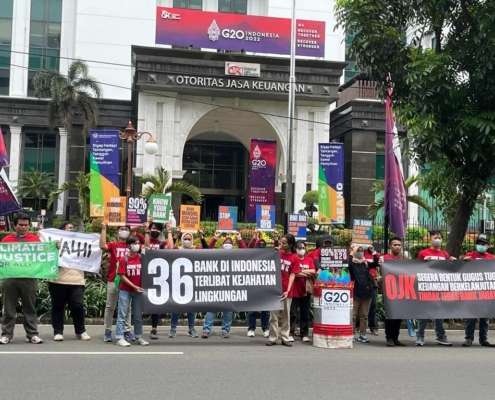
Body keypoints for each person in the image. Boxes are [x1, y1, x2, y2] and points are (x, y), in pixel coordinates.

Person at [0, 213, 43, 344]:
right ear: (15, 225)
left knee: (30, 307)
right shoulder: (6, 240)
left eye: (26, 225)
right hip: (10, 279)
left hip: (29, 278)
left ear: (29, 225)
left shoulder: (35, 240)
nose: (23, 227)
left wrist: (55, 248)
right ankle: (6, 335)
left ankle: (32, 335)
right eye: (20, 225)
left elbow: (44, 255)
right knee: (8, 308)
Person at [48, 222, 91, 341]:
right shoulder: (54, 243)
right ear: (61, 230)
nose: (71, 230)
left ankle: (81, 331)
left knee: (77, 306)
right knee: (58, 307)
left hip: (76, 280)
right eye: (68, 228)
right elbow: (45, 256)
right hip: (57, 280)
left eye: (73, 228)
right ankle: (58, 332)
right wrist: (53, 247)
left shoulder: (80, 243)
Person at [202, 232, 246, 338]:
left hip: (230, 286)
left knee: (228, 310)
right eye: (226, 242)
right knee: (212, 309)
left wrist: (239, 239)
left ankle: (226, 330)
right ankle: (206, 330)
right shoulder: (217, 253)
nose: (228, 243)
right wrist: (214, 238)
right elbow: (206, 251)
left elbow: (246, 252)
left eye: (230, 242)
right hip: (217, 285)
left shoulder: (236, 254)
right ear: (222, 245)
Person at [416, 230, 454, 346]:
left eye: (439, 237)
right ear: (430, 239)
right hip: (426, 287)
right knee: (424, 313)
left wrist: (452, 262)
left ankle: (441, 337)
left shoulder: (445, 254)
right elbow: (415, 268)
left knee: (440, 313)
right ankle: (420, 336)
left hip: (440, 287)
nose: (437, 239)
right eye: (435, 237)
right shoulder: (423, 253)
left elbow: (448, 270)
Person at [167, 231, 204, 339]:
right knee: (176, 307)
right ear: (182, 239)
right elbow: (169, 249)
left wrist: (201, 237)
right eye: (185, 238)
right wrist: (173, 234)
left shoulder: (196, 250)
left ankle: (191, 329)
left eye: (189, 238)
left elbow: (207, 250)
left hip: (191, 282)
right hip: (178, 282)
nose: (187, 240)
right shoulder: (177, 249)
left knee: (191, 308)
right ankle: (173, 329)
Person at [100, 224, 133, 342]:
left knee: (127, 307)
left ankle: (127, 330)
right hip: (113, 279)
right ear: (118, 231)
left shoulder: (132, 246)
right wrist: (104, 229)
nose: (124, 231)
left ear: (130, 232)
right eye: (122, 229)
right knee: (110, 307)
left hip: (127, 281)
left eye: (126, 229)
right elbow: (102, 246)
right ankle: (107, 331)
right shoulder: (113, 245)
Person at [461, 234, 495, 347]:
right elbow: (460, 267)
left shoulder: (492, 258)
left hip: (486, 291)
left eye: (484, 244)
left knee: (485, 317)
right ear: (476, 245)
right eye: (479, 243)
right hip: (472, 290)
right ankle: (469, 338)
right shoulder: (470, 255)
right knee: (470, 316)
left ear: (488, 246)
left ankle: (483, 339)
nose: (481, 245)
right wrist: (463, 260)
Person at [115, 236, 149, 347]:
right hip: (125, 290)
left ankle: (138, 336)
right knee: (122, 314)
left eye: (138, 243)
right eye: (135, 243)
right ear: (129, 245)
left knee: (138, 315)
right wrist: (134, 286)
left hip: (138, 291)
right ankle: (120, 337)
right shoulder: (123, 259)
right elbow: (122, 276)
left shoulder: (141, 257)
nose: (137, 245)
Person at [266, 234, 299, 346]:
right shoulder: (277, 254)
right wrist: (274, 251)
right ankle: (273, 338)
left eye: (284, 243)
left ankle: (285, 337)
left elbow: (292, 275)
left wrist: (288, 290)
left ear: (290, 244)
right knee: (273, 316)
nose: (281, 244)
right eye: (281, 242)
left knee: (286, 315)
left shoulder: (294, 258)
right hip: (274, 289)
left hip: (286, 291)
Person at [144, 222, 175, 339]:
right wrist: (146, 230)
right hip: (144, 275)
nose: (154, 230)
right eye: (152, 228)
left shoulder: (161, 244)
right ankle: (131, 329)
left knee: (155, 302)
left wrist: (169, 231)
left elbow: (171, 248)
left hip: (157, 277)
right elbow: (146, 248)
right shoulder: (144, 239)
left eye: (157, 229)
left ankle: (154, 328)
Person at [381, 237, 406, 347]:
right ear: (390, 246)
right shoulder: (385, 258)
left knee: (398, 315)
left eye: (399, 245)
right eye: (395, 244)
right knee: (389, 315)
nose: (397, 247)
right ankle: (389, 338)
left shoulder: (404, 259)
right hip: (388, 290)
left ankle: (396, 338)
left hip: (401, 290)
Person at [290, 240, 316, 343]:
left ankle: (304, 334)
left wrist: (301, 272)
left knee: (305, 313)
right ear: (296, 249)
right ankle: (290, 333)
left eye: (303, 248)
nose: (302, 250)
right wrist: (305, 272)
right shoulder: (293, 258)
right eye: (299, 248)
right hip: (294, 289)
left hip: (306, 290)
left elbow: (313, 271)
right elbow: (293, 273)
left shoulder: (309, 259)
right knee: (293, 313)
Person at [247, 231, 270, 338]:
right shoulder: (252, 255)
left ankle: (265, 328)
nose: (261, 245)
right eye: (259, 244)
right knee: (252, 309)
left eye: (263, 244)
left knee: (265, 309)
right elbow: (247, 248)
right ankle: (251, 329)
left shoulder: (268, 256)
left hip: (264, 285)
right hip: (253, 284)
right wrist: (254, 238)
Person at [349, 245, 374, 343]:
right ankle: (351, 334)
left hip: (367, 292)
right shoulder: (352, 263)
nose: (360, 252)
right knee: (353, 315)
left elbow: (376, 263)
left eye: (361, 251)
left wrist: (373, 251)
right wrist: (351, 252)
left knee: (364, 315)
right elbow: (348, 263)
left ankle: (363, 335)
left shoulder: (365, 263)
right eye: (358, 251)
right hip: (356, 292)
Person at [364, 245, 380, 336]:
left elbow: (378, 262)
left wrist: (373, 252)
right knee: (359, 305)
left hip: (372, 281)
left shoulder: (372, 253)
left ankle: (373, 326)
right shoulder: (357, 252)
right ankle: (358, 326)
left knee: (373, 305)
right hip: (360, 281)